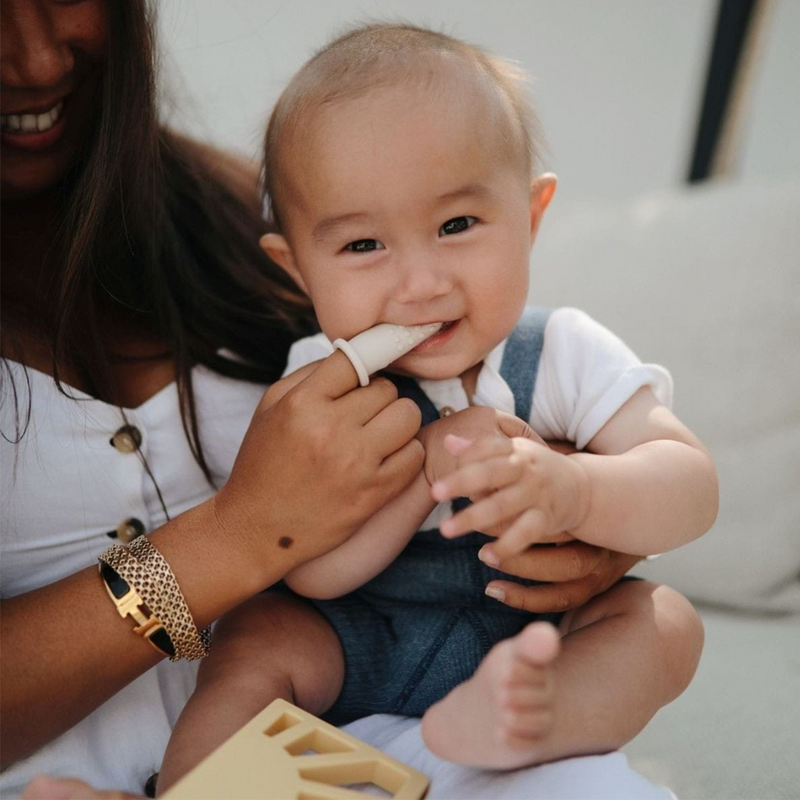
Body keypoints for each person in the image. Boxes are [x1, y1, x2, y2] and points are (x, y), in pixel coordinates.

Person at [0, 4, 643, 799]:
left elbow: (634, 464)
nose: (33, 61)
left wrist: (589, 507)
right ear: (299, 263)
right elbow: (296, 562)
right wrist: (237, 539)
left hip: (364, 739)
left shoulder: (253, 216)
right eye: (366, 246)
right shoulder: (316, 243)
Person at [156, 22, 716, 791]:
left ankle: (530, 721)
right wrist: (426, 464)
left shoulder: (560, 351)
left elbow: (689, 488)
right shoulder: (319, 382)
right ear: (296, 269)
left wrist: (576, 490)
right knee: (253, 641)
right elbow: (315, 572)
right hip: (355, 636)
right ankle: (202, 786)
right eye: (362, 246)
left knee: (665, 624)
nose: (420, 283)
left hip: (533, 640)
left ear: (531, 216)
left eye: (457, 226)